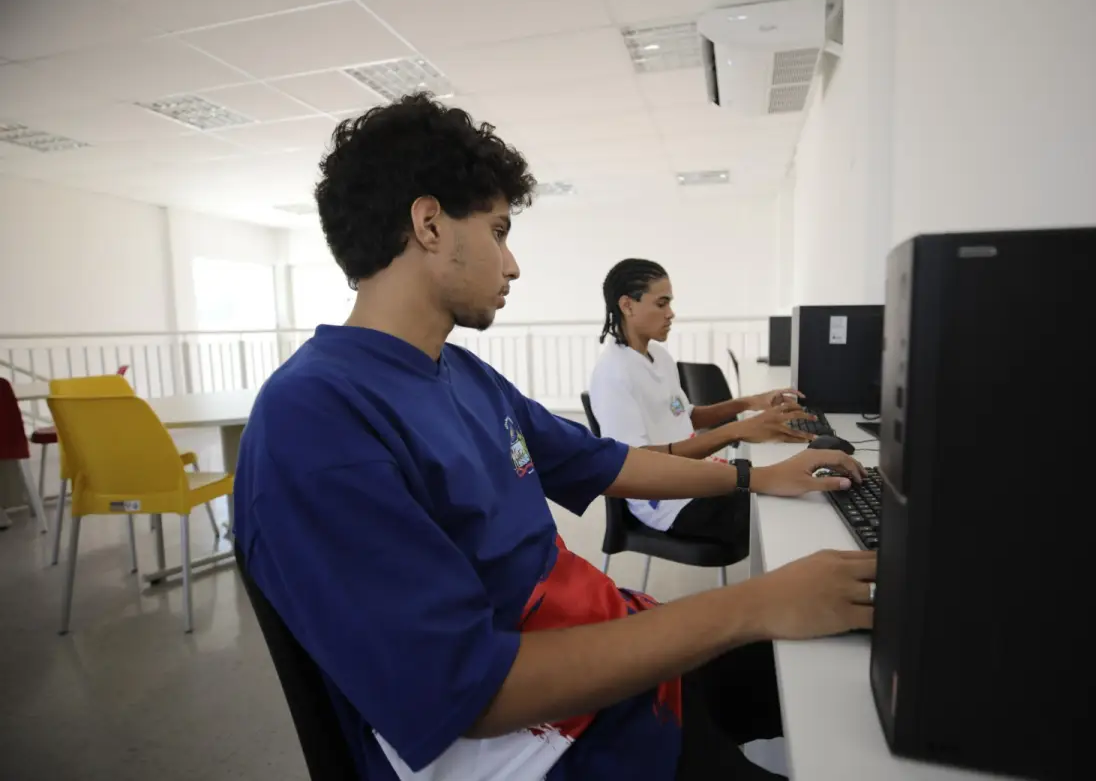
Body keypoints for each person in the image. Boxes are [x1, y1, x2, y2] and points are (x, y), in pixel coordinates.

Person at [233, 92, 874, 781]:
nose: (512, 265)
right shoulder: (315, 418)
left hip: (610, 666)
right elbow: (469, 689)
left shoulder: (463, 375)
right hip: (561, 747)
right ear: (428, 224)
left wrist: (754, 476)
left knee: (855, 658)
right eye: (499, 231)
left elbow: (609, 462)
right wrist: (755, 602)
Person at [588, 258, 815, 546]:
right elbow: (638, 463)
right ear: (627, 305)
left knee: (787, 483)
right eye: (661, 304)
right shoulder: (613, 373)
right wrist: (736, 431)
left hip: (696, 477)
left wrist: (748, 403)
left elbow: (687, 416)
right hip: (670, 503)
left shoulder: (659, 357)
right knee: (779, 509)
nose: (671, 314)